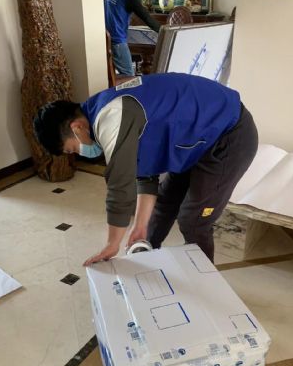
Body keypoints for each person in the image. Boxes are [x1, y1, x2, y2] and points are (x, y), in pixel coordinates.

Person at [33, 73, 258, 266]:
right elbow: (145, 173)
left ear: (77, 127)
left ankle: (205, 283)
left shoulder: (111, 118)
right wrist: (139, 227)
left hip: (229, 135)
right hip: (196, 138)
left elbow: (120, 187)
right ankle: (145, 261)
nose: (79, 153)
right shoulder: (98, 110)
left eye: (73, 149)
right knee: (163, 205)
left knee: (193, 220)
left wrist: (112, 244)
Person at [104, 0, 160, 76]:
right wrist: (163, 30)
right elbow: (146, 17)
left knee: (110, 74)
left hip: (104, 39)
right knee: (129, 76)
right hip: (118, 41)